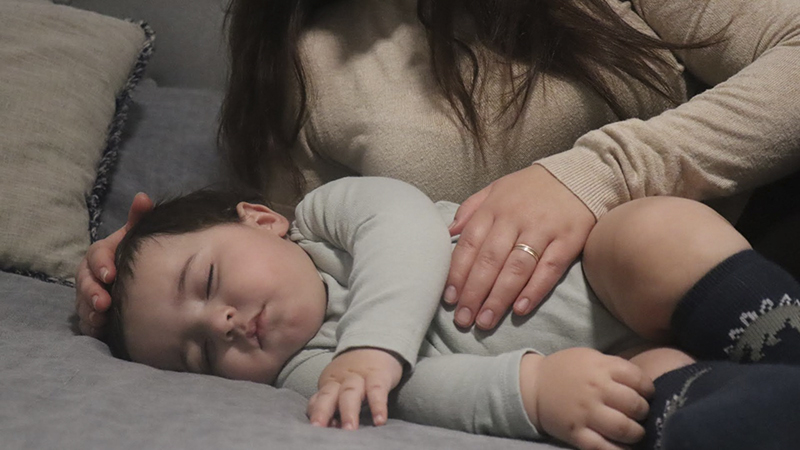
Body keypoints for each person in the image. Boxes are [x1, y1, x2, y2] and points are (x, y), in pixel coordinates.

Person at [76, 0, 800, 337]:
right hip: (569, 347)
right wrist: (153, 274)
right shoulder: (300, 58)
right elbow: (300, 267)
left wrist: (595, 177)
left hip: (748, 254)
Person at [102, 177, 800, 450]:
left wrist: (372, 345)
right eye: (198, 353)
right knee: (631, 404)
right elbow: (425, 394)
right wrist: (535, 391)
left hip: (600, 274)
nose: (221, 324)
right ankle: (745, 410)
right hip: (602, 360)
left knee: (652, 233)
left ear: (260, 219)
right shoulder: (308, 373)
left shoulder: (326, 214)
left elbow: (404, 226)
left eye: (209, 281)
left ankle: (784, 340)